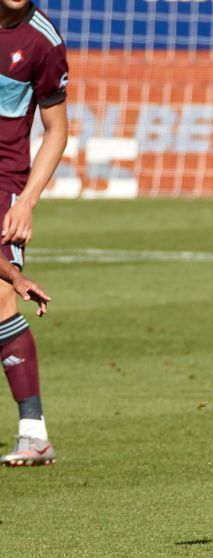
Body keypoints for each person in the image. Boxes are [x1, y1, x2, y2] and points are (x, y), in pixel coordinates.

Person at [0, 0, 68, 467]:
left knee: (0, 299)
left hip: (4, 182)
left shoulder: (43, 40)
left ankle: (34, 432)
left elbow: (56, 130)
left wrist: (26, 201)